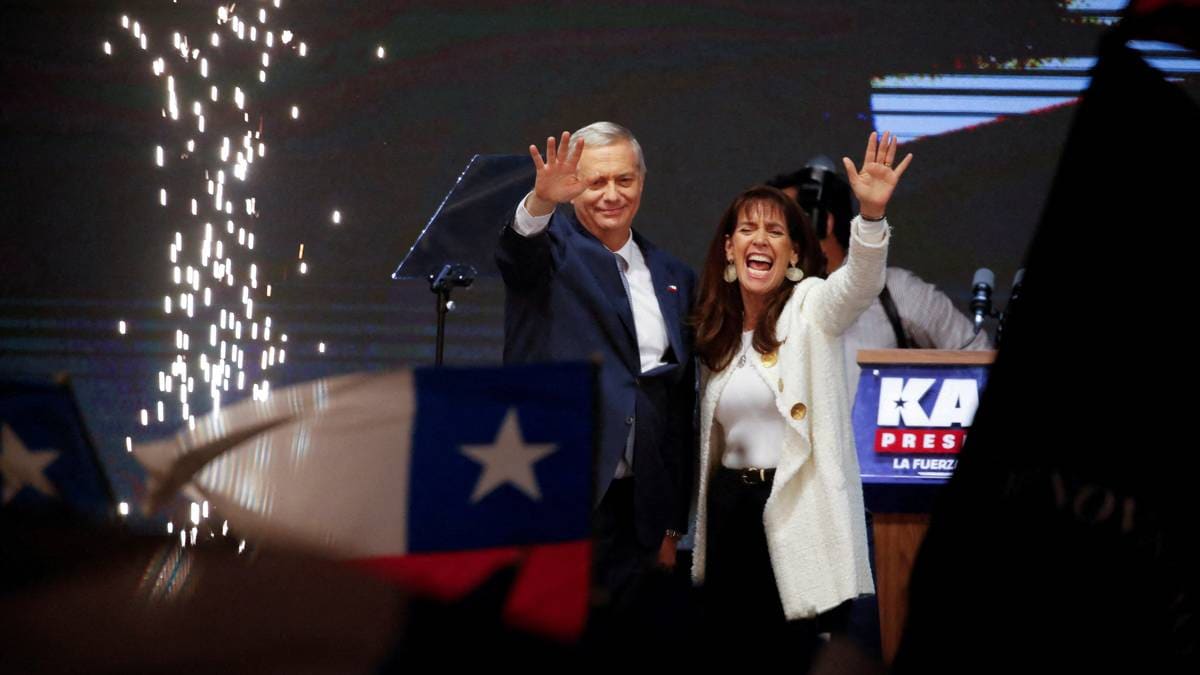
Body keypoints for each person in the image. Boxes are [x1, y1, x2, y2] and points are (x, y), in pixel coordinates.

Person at [690, 133, 911, 657]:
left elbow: (859, 284)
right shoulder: (718, 333)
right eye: (747, 230)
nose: (760, 240)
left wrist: (871, 216)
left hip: (793, 510)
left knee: (792, 655)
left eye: (775, 231)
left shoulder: (811, 305)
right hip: (729, 510)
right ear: (729, 248)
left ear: (793, 252)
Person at [495, 122, 696, 614]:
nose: (611, 194)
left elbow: (675, 405)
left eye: (624, 180)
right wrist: (540, 203)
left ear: (642, 181)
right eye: (595, 182)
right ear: (572, 186)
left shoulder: (672, 275)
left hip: (640, 512)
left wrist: (672, 526)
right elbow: (517, 255)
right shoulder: (549, 252)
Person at [768, 161, 991, 401]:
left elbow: (977, 358)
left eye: (779, 225)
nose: (767, 238)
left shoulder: (896, 290)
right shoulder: (767, 298)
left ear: (822, 222)